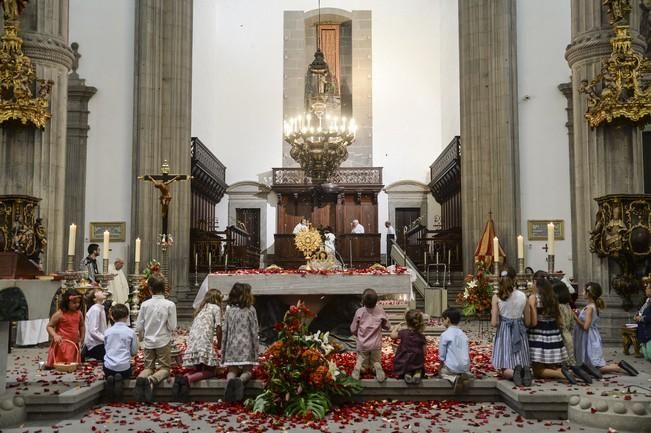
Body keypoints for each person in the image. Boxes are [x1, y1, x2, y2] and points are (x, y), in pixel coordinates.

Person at [573, 282, 638, 376]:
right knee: (590, 363)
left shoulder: (590, 308)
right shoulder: (591, 306)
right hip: (590, 336)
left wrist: (575, 318)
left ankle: (617, 368)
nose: (582, 292)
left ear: (589, 293)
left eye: (583, 290)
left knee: (594, 366)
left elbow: (586, 326)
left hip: (589, 338)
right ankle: (617, 366)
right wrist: (579, 314)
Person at [134, 273, 177, 403]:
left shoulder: (145, 304)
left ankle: (141, 379)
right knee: (164, 368)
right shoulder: (169, 304)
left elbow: (139, 325)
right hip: (163, 341)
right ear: (164, 288)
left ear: (150, 289)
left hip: (148, 342)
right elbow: (172, 326)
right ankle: (151, 380)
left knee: (148, 368)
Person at [174, 289, 223, 400]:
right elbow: (219, 328)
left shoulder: (200, 309)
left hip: (193, 343)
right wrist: (219, 344)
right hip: (203, 344)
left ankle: (182, 378)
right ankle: (188, 380)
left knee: (199, 369)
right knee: (211, 371)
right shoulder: (216, 308)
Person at [526, 277, 576, 383]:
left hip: (538, 336)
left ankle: (562, 373)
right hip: (553, 335)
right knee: (549, 365)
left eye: (533, 283)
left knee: (537, 371)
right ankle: (568, 372)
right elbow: (558, 319)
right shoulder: (553, 297)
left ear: (536, 285)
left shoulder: (533, 298)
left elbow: (534, 322)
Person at [490, 268, 532, 386]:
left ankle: (514, 373)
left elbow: (494, 323)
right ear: (515, 279)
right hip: (519, 330)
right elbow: (528, 321)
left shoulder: (496, 297)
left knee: (503, 367)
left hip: (504, 331)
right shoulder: (523, 296)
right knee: (520, 357)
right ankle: (524, 370)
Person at [222, 283, 259, 402]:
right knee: (248, 371)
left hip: (232, 345)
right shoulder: (250, 310)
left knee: (232, 371)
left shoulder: (229, 310)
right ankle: (240, 381)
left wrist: (223, 350)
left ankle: (230, 383)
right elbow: (254, 330)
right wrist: (256, 349)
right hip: (246, 345)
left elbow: (225, 330)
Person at [552, 280, 592, 383]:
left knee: (563, 361)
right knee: (569, 359)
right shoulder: (568, 306)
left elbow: (559, 323)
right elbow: (570, 323)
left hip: (561, 335)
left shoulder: (558, 307)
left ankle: (572, 375)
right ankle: (581, 372)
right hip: (568, 334)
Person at [350, 288, 390, 382]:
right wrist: (383, 324)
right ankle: (376, 366)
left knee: (364, 366)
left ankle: (359, 366)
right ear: (377, 300)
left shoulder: (359, 311)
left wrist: (357, 334)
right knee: (374, 363)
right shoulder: (380, 311)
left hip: (362, 344)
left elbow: (353, 329)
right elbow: (387, 326)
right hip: (375, 345)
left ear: (363, 300)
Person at [103, 303, 138, 401]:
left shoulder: (107, 332)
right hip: (124, 367)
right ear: (127, 317)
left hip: (109, 366)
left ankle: (110, 379)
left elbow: (106, 348)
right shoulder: (130, 332)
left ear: (112, 317)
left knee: (109, 366)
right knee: (128, 368)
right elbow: (134, 351)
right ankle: (120, 380)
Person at [45, 289, 84, 368]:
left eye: (78, 303)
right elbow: (49, 326)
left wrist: (82, 338)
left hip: (74, 343)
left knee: (72, 364)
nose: (77, 305)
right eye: (74, 303)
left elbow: (81, 325)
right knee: (63, 363)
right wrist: (55, 335)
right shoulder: (59, 314)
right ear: (66, 302)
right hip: (62, 343)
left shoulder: (79, 313)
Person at [439, 308, 472, 392]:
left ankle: (454, 378)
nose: (442, 322)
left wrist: (439, 367)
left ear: (448, 319)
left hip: (451, 367)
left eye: (443, 320)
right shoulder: (463, 334)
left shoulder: (445, 334)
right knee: (461, 369)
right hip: (465, 366)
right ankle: (463, 376)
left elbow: (442, 355)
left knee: (442, 373)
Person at [392, 309, 427, 384]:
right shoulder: (422, 337)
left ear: (407, 322)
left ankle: (407, 373)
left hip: (403, 361)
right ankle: (417, 373)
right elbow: (425, 352)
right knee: (418, 364)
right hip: (417, 362)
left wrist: (396, 327)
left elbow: (392, 336)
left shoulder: (403, 333)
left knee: (406, 362)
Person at [84, 288, 108, 361]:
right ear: (94, 299)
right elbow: (93, 331)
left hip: (100, 342)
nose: (102, 291)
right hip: (95, 345)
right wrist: (106, 339)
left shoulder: (99, 308)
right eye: (98, 291)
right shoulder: (95, 309)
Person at [634, 278, 651, 361]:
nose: (645, 290)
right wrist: (637, 315)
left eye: (647, 288)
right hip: (643, 332)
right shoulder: (647, 301)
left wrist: (640, 318)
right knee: (647, 356)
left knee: (650, 355)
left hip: (649, 331)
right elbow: (642, 311)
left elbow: (649, 317)